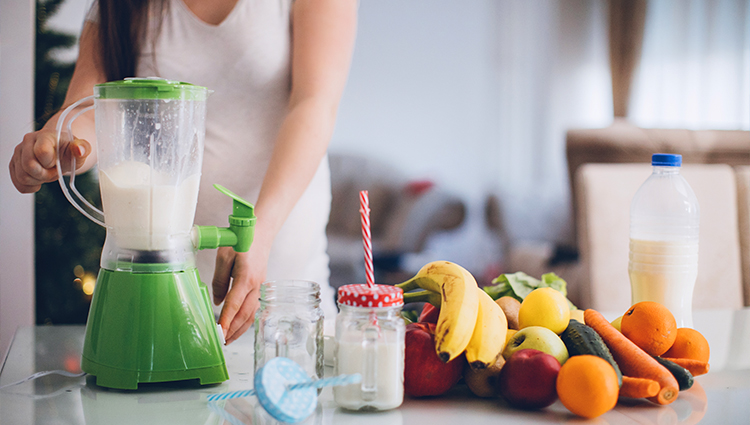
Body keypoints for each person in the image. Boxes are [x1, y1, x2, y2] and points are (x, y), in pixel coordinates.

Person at [8, 0, 357, 344]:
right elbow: (88, 110)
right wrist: (57, 145)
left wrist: (258, 235)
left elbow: (314, 104)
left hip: (286, 295)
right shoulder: (117, 7)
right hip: (155, 299)